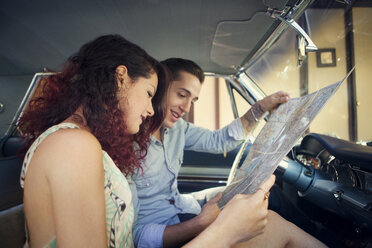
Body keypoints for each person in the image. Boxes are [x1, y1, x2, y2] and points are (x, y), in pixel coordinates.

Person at [18, 34, 283, 248]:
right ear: (120, 78)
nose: (149, 108)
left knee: (274, 226)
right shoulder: (73, 145)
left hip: (176, 217)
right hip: (159, 234)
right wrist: (223, 231)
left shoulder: (85, 143)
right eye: (148, 93)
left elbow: (220, 141)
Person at [130, 58, 326, 248]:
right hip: (169, 229)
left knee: (264, 192)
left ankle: (321, 233)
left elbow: (219, 141)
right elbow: (136, 235)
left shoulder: (178, 128)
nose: (186, 108)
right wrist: (200, 222)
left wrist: (260, 108)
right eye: (182, 95)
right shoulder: (126, 148)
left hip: (183, 205)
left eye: (193, 100)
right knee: (271, 222)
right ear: (159, 88)